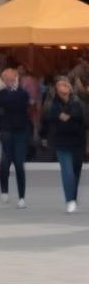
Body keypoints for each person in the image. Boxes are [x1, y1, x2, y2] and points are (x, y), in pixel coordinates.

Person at [0, 67, 31, 207]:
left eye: (12, 79)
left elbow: (19, 101)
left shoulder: (23, 93)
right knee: (5, 162)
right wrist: (9, 98)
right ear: (3, 80)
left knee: (19, 164)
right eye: (7, 79)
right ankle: (4, 190)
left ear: (17, 79)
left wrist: (10, 98)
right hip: (5, 130)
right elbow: (1, 101)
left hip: (21, 131)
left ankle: (22, 197)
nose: (9, 82)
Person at [47, 77, 85, 213]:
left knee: (75, 172)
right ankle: (69, 200)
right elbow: (50, 116)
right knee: (67, 172)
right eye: (59, 86)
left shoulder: (77, 102)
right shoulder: (53, 103)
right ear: (56, 90)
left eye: (65, 85)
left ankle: (73, 198)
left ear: (69, 87)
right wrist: (63, 116)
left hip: (77, 141)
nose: (63, 87)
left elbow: (81, 117)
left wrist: (68, 116)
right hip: (61, 141)